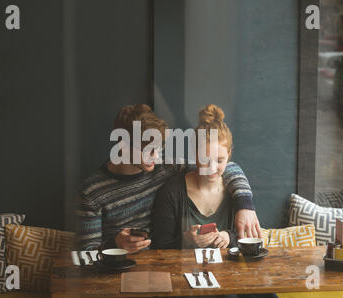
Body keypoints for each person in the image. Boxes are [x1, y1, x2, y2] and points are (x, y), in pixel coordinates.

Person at [76, 104, 261, 252]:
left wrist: (245, 205)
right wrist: (115, 244)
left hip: (159, 266)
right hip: (117, 269)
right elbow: (85, 254)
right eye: (148, 150)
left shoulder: (165, 167)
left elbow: (223, 167)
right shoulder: (92, 191)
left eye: (159, 148)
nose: (156, 156)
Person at [153, 104, 242, 249]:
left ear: (229, 155)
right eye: (205, 160)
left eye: (219, 160)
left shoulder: (237, 191)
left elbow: (250, 239)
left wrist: (229, 237)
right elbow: (158, 247)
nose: (212, 168)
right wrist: (185, 240)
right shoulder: (171, 192)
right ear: (194, 154)